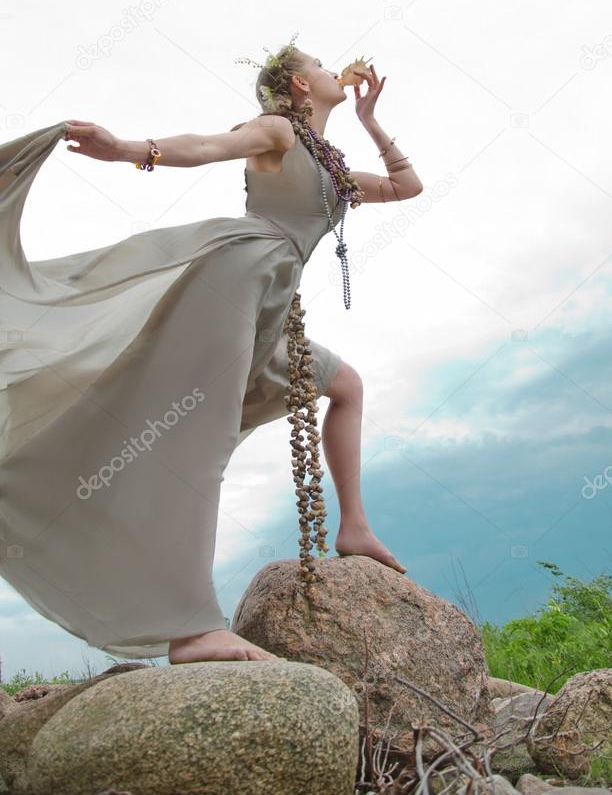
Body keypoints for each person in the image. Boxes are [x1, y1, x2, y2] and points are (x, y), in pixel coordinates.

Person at [0, 39, 424, 663]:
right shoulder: (278, 130)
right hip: (236, 277)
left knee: (347, 386)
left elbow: (406, 186)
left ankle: (354, 527)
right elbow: (207, 146)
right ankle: (193, 629)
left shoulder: (332, 168)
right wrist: (128, 150)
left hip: (272, 303)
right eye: (317, 63)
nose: (333, 67)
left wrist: (370, 121)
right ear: (300, 86)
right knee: (200, 439)